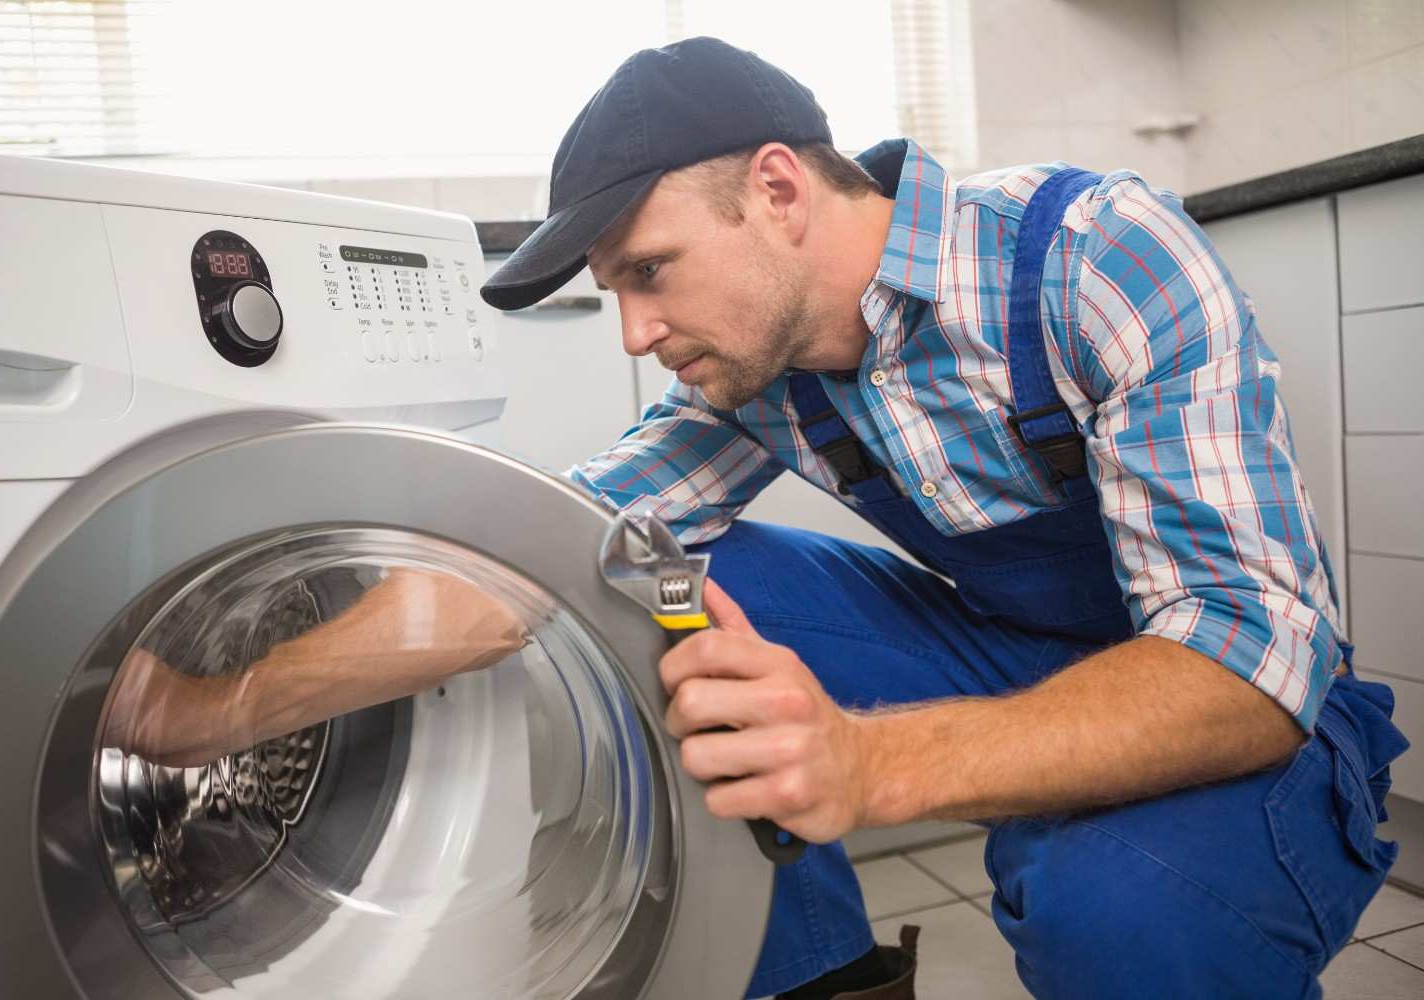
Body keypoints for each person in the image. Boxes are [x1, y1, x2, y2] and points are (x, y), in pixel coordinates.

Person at [479, 36, 1410, 1000]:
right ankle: (825, 982)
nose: (637, 331)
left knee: (1117, 913)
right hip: (1012, 651)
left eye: (651, 271)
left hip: (1244, 692)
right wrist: (319, 652)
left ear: (778, 192)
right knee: (659, 590)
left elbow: (1250, 653)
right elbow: (568, 540)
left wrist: (870, 764)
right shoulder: (759, 364)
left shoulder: (1094, 254)